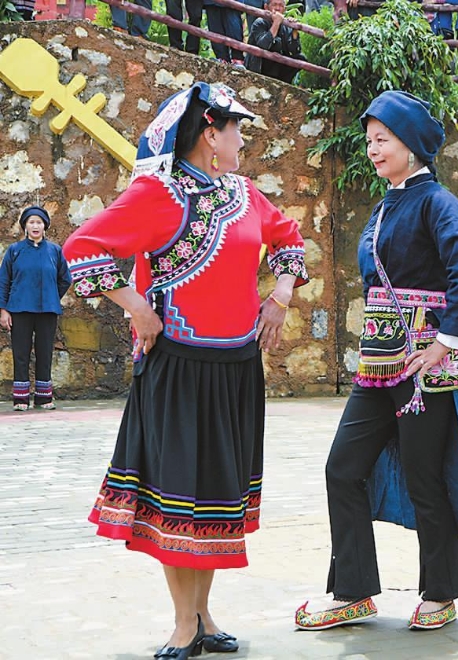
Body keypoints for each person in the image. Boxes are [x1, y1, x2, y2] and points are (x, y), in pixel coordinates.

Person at [62, 82, 308, 658]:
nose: (243, 139)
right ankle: (183, 624)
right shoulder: (159, 194)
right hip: (179, 369)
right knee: (181, 501)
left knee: (217, 500)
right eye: (236, 129)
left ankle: (202, 615)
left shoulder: (246, 195)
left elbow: (288, 239)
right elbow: (82, 249)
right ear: (209, 133)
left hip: (237, 368)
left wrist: (281, 295)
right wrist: (138, 307)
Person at [294, 91, 458, 632]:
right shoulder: (387, 204)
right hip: (377, 363)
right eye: (370, 140)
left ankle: (442, 590)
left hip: (424, 368)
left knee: (425, 476)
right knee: (342, 467)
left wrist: (448, 341)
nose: (373, 150)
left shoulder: (436, 202)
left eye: (383, 140)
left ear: (412, 146)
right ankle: (353, 591)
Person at [0, 207, 71, 411]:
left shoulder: (54, 251)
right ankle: (21, 400)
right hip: (19, 309)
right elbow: (3, 281)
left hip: (47, 310)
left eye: (39, 222)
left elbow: (65, 278)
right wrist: (3, 310)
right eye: (31, 222)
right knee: (21, 353)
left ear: (45, 226)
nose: (35, 226)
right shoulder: (15, 250)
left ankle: (43, 398)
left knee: (45, 352)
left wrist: (52, 295)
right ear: (25, 226)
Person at [246, 0, 307, 84]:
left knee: (301, 58)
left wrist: (294, 31)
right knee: (276, 44)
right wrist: (276, 23)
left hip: (278, 68)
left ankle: (283, 83)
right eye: (274, 5)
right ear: (266, 7)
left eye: (281, 5)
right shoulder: (259, 22)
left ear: (284, 9)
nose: (278, 8)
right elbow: (264, 45)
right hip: (259, 66)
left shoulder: (286, 25)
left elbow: (295, 51)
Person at [204, 0, 245, 66]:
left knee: (234, 29)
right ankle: (221, 59)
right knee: (215, 31)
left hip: (232, 3)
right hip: (212, 3)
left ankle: (237, 59)